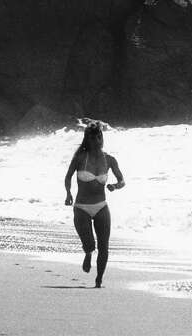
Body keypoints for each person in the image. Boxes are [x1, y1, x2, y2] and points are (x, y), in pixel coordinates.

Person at [64, 122, 125, 288]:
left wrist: (115, 186)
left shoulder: (110, 160)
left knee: (104, 246)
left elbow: (122, 180)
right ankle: (88, 253)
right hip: (82, 207)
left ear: (102, 138)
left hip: (101, 206)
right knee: (90, 244)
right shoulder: (80, 158)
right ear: (87, 139)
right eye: (92, 138)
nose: (96, 140)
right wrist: (68, 193)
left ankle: (99, 280)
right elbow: (68, 177)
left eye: (98, 137)